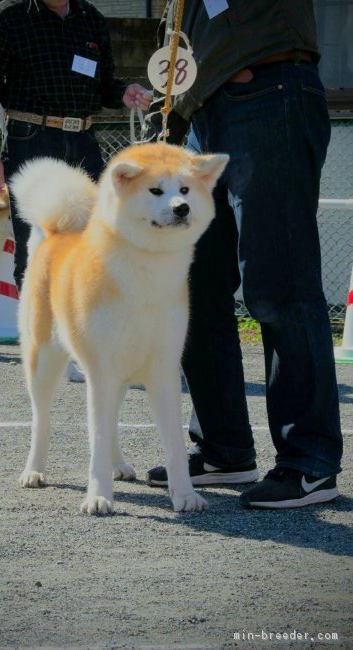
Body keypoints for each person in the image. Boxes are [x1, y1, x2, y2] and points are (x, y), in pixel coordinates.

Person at [143, 0, 343, 508]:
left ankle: (309, 460)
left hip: (268, 93)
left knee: (279, 280)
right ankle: (224, 447)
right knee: (194, 284)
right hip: (199, 116)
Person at [0, 0, 152, 288]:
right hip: (31, 141)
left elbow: (105, 85)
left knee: (95, 242)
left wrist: (125, 92)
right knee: (36, 250)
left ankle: (80, 329)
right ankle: (39, 331)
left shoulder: (90, 17)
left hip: (84, 142)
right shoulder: (9, 15)